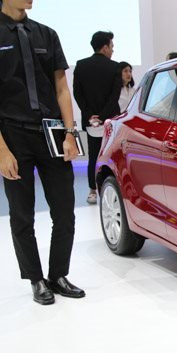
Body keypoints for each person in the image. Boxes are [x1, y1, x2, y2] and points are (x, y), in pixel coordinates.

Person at [0, 0, 85, 304]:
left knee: (64, 210)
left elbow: (61, 88)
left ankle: (58, 274)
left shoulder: (46, 34)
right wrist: (2, 151)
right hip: (12, 133)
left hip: (51, 132)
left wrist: (70, 133)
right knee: (22, 215)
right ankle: (36, 279)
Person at [73, 31, 121, 204]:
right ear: (105, 47)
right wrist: (103, 116)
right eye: (112, 46)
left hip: (90, 121)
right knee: (111, 155)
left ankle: (92, 191)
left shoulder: (81, 65)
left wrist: (89, 115)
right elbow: (114, 96)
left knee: (93, 156)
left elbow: (78, 94)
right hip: (110, 120)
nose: (113, 50)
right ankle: (113, 189)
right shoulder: (115, 67)